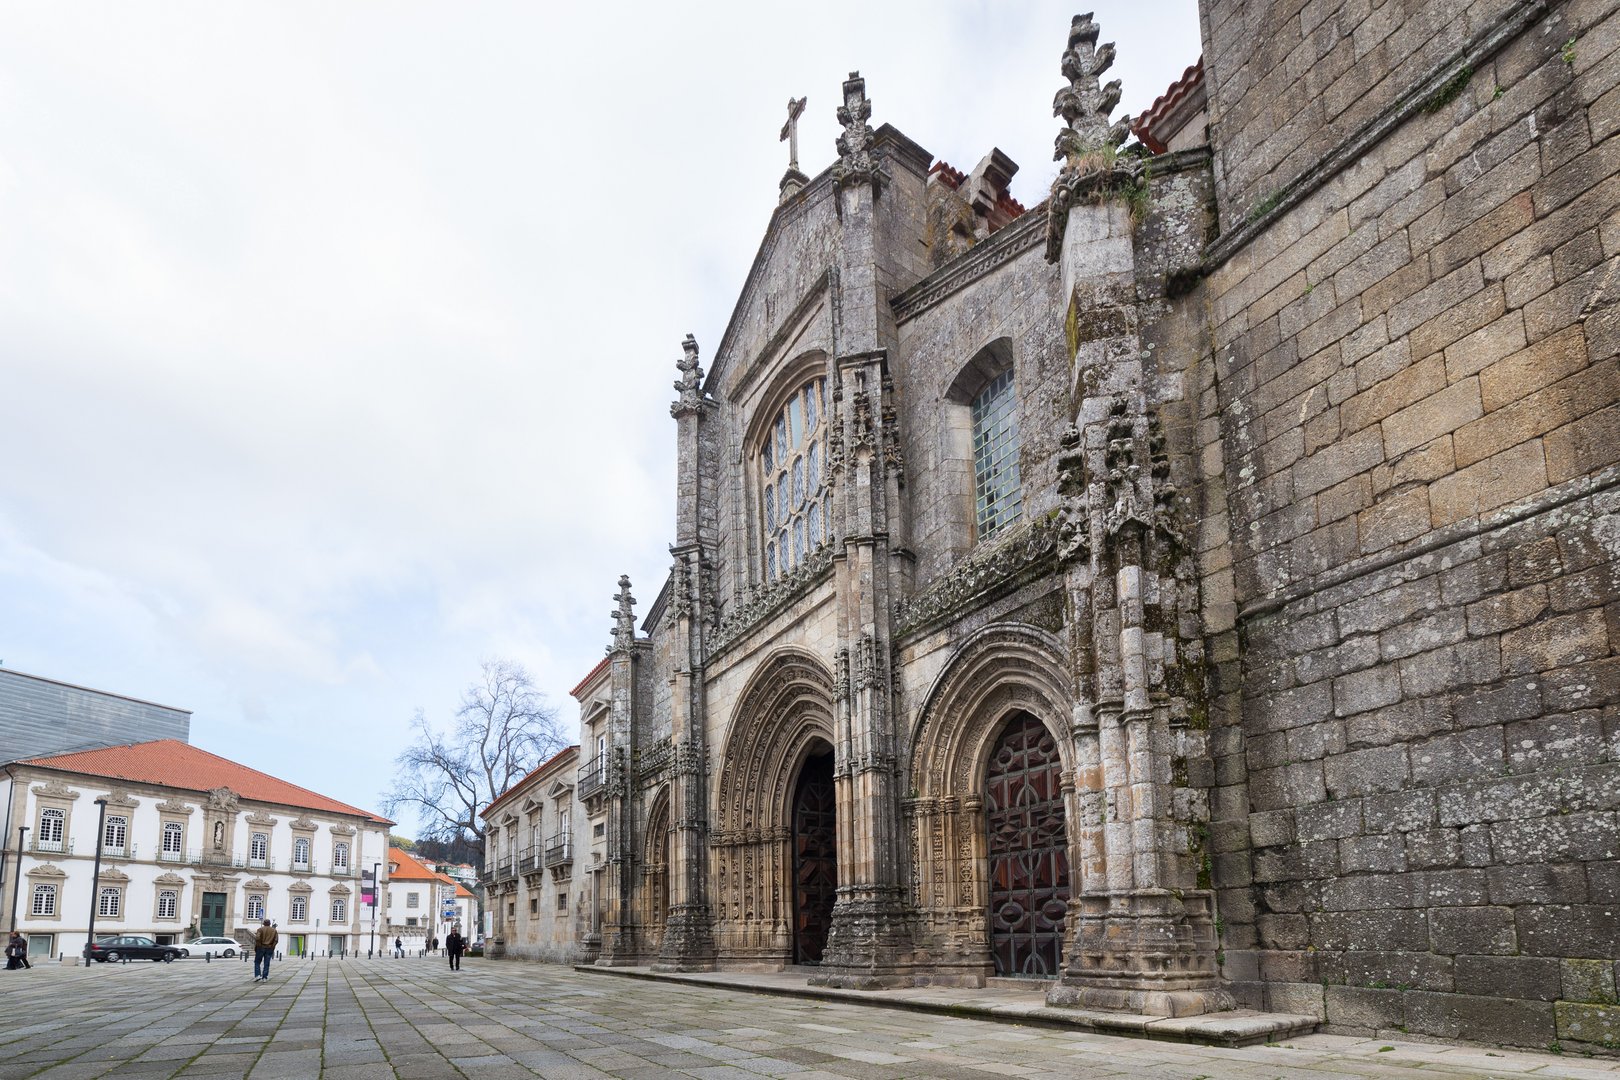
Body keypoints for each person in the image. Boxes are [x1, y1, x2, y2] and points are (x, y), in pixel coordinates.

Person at [252, 918, 277, 982]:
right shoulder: (274, 930)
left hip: (261, 947)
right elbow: (276, 940)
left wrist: (259, 945)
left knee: (257, 962)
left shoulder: (260, 929)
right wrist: (272, 947)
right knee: (267, 963)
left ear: (263, 923)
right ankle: (264, 977)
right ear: (270, 923)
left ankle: (257, 975)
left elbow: (257, 938)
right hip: (269, 948)